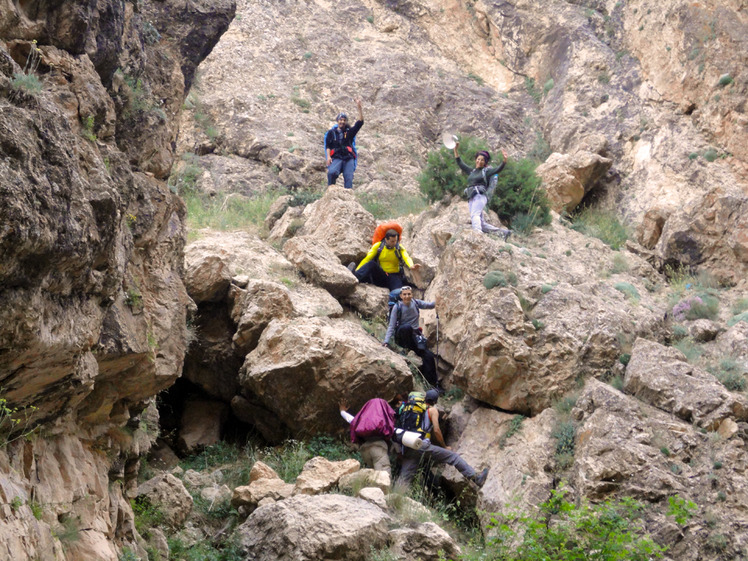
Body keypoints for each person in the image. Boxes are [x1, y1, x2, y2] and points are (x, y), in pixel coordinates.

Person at [396, 389, 489, 488]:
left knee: (404, 479)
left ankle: (394, 498)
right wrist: (444, 446)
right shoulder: (432, 410)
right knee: (453, 457)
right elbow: (436, 430)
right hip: (421, 445)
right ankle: (476, 478)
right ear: (435, 401)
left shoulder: (411, 410)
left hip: (408, 446)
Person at [453, 141, 512, 239]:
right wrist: (455, 149)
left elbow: (497, 169)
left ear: (485, 162)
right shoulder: (472, 171)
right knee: (482, 223)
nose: (479, 161)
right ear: (476, 159)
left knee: (474, 215)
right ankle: (504, 233)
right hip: (472, 197)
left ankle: (477, 234)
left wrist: (504, 160)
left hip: (480, 196)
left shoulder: (486, 172)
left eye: (482, 160)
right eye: (478, 159)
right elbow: (460, 162)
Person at [383, 286, 438, 388]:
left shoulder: (416, 303)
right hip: (402, 336)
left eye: (409, 294)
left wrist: (439, 301)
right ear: (401, 296)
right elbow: (391, 326)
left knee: (429, 356)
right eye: (404, 294)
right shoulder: (397, 307)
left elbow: (430, 305)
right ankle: (405, 349)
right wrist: (386, 341)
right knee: (407, 327)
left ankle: (432, 385)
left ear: (412, 295)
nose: (407, 296)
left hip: (415, 337)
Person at [351, 229, 420, 292]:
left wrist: (411, 266)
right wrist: (357, 270)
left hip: (394, 276)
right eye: (392, 241)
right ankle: (354, 276)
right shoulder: (378, 246)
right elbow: (367, 259)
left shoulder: (399, 248)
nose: (394, 243)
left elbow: (406, 257)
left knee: (398, 292)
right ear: (386, 240)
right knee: (371, 264)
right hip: (381, 275)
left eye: (396, 241)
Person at [340, 398, 394, 475]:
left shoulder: (361, 421)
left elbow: (350, 419)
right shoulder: (384, 421)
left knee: (372, 477)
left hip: (365, 450)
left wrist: (342, 411)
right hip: (378, 449)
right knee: (383, 476)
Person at [326, 98, 364, 189]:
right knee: (331, 173)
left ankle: (348, 199)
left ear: (346, 122)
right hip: (337, 156)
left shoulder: (349, 132)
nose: (342, 121)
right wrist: (328, 157)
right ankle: (331, 192)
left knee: (349, 179)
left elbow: (360, 122)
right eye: (340, 120)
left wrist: (359, 108)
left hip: (348, 158)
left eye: (344, 120)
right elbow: (328, 145)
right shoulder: (331, 132)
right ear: (337, 121)